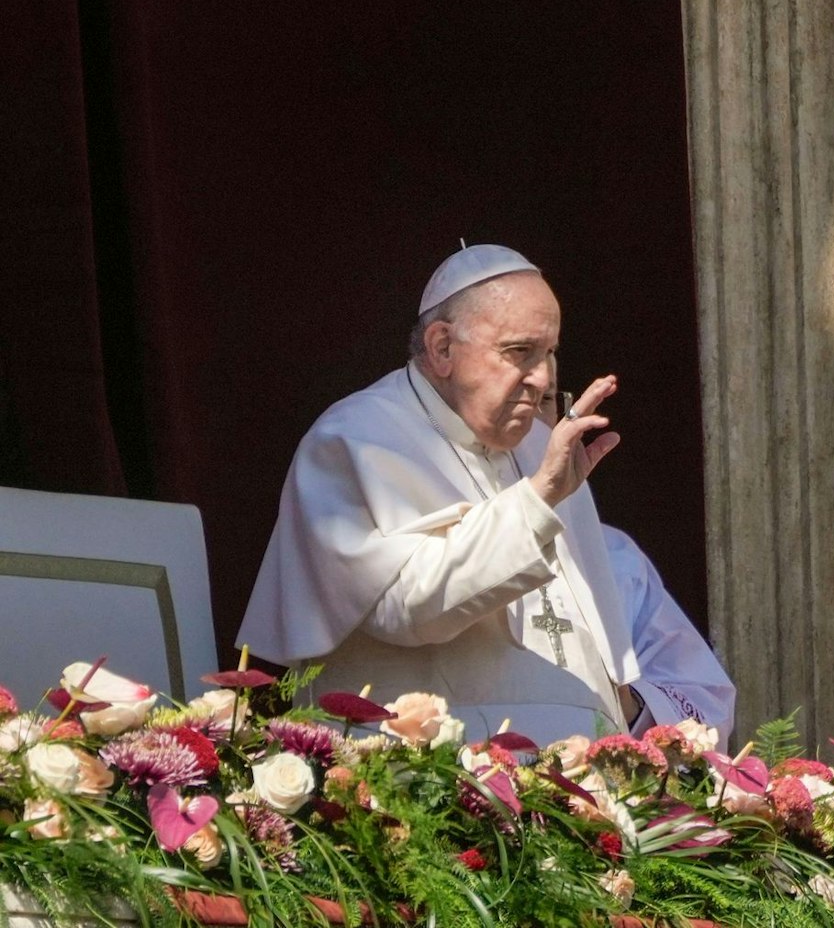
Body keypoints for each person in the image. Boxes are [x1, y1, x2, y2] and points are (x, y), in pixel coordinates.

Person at [238, 244, 734, 744]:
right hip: (427, 780)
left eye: (550, 352)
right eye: (519, 351)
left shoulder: (542, 444)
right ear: (442, 348)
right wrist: (537, 498)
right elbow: (404, 607)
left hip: (575, 780)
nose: (543, 378)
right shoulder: (354, 439)